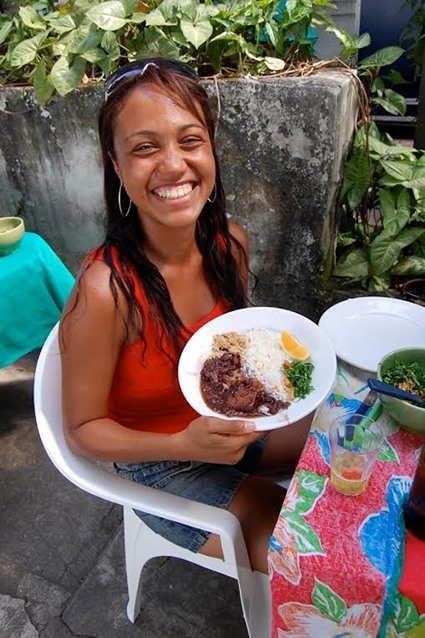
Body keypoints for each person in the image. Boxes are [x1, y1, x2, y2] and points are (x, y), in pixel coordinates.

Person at [60, 57, 312, 574]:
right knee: (309, 557)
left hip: (234, 424)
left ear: (211, 147)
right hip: (161, 464)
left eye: (190, 140)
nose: (174, 165)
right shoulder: (106, 290)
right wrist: (181, 443)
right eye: (145, 147)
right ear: (115, 162)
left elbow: (231, 347)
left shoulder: (230, 245)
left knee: (354, 445)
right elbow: (82, 429)